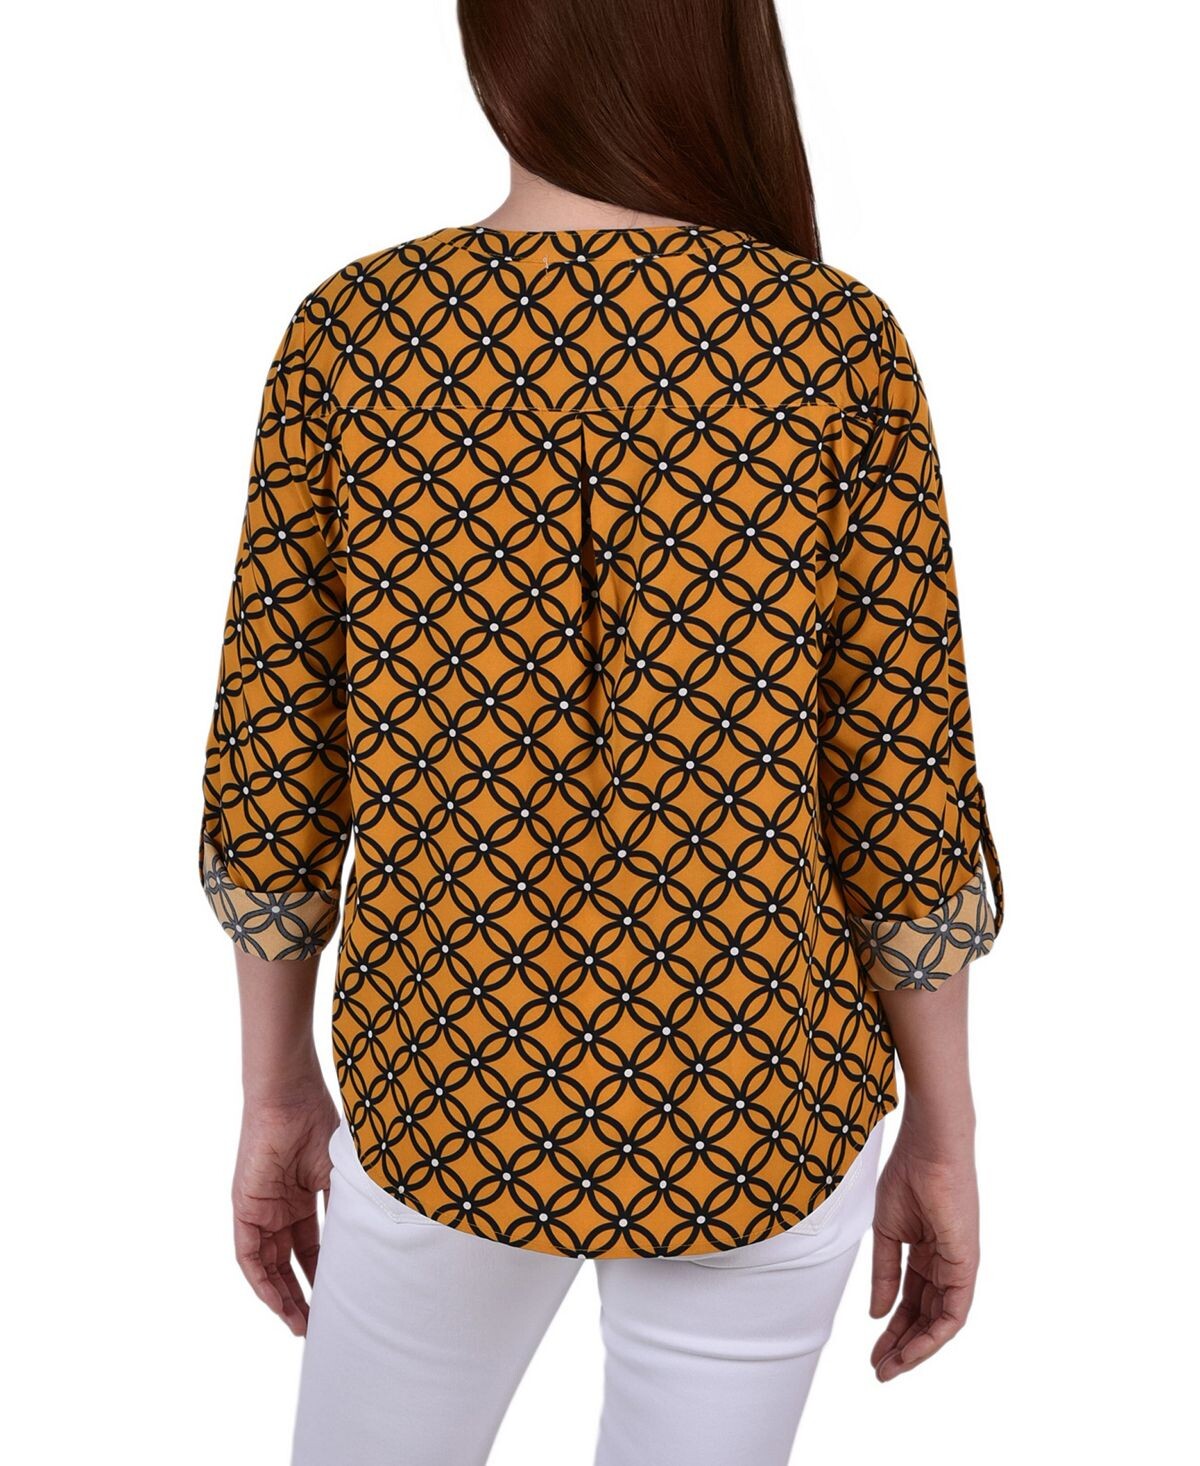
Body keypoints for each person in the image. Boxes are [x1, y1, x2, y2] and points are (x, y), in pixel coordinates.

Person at [196, 2, 1005, 1461]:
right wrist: (945, 1138)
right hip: (755, 1087)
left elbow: (274, 766)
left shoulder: (354, 338)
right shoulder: (833, 349)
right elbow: (905, 793)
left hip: (445, 1073)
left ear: (499, 40)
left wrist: (272, 1089)